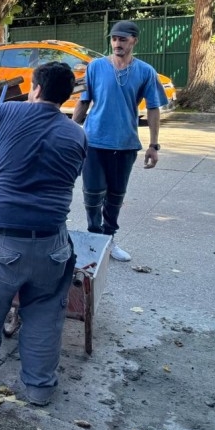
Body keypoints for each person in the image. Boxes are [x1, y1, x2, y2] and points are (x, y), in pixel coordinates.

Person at [0, 61, 86, 406]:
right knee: (44, 315)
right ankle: (39, 391)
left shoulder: (7, 111)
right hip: (50, 242)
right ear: (65, 96)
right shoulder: (77, 134)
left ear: (37, 89)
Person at [72, 20, 168, 262]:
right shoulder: (95, 67)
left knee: (115, 197)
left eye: (123, 39)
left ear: (134, 40)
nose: (117, 43)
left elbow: (154, 108)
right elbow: (83, 101)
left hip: (125, 144)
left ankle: (109, 239)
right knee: (92, 195)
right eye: (114, 39)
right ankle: (94, 238)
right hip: (93, 142)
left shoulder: (145, 71)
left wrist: (154, 145)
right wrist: (72, 133)